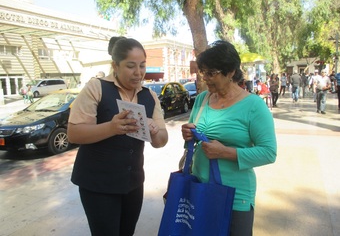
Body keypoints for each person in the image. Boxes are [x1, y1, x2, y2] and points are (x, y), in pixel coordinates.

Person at [68, 36, 168, 236]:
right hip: (97, 184)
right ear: (115, 65)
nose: (138, 72)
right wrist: (111, 128)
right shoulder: (97, 88)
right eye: (131, 66)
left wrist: (154, 131)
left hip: (133, 183)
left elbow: (162, 140)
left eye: (142, 65)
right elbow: (73, 133)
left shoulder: (150, 95)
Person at [181, 40, 277, 236]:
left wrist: (225, 152)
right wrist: (188, 135)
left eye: (211, 73)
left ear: (231, 71)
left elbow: (269, 152)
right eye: (203, 72)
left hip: (235, 197)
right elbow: (192, 137)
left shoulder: (253, 106)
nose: (205, 78)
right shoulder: (202, 99)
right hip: (200, 189)